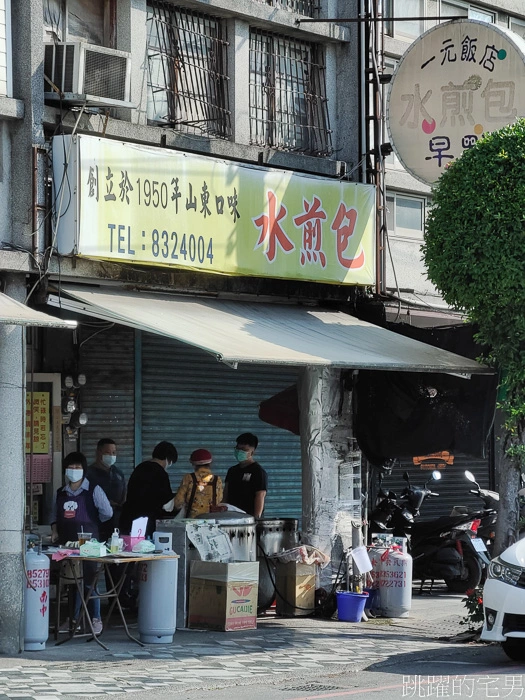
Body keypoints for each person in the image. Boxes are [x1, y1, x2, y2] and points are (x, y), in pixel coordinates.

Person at [51, 451, 113, 636]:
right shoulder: (61, 493)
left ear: (84, 470)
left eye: (78, 467)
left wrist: (93, 523)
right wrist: (54, 531)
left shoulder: (93, 490)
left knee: (89, 581)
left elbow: (107, 512)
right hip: (66, 546)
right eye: (71, 467)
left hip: (89, 544)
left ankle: (96, 619)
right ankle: (73, 620)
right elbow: (54, 515)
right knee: (71, 582)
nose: (74, 470)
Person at [119, 441, 178, 537]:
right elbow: (166, 503)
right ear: (168, 459)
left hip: (128, 519)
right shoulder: (160, 473)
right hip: (146, 524)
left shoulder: (140, 467)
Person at [86, 438, 126, 543]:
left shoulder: (118, 473)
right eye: (108, 453)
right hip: (97, 521)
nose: (111, 456)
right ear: (99, 453)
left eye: (114, 452)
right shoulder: (89, 474)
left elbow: (124, 494)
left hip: (116, 522)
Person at [224, 433, 267, 518]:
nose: (239, 452)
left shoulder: (258, 471)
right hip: (231, 518)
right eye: (237, 448)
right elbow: (225, 494)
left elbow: (260, 496)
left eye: (243, 449)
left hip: (249, 519)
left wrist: (256, 519)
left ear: (252, 452)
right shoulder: (232, 470)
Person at [171, 449, 223, 518]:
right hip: (211, 520)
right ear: (210, 463)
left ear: (193, 463)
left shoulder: (188, 478)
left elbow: (178, 503)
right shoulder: (217, 480)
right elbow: (219, 499)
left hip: (192, 520)